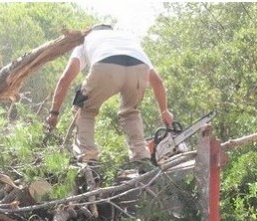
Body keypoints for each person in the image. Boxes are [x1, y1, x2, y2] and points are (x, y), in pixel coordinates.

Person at [45, 24, 174, 167]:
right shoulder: (127, 38)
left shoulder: (87, 39)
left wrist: (54, 113)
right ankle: (142, 160)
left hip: (106, 65)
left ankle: (89, 160)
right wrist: (164, 110)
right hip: (139, 69)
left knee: (84, 109)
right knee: (130, 112)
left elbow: (66, 78)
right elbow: (157, 81)